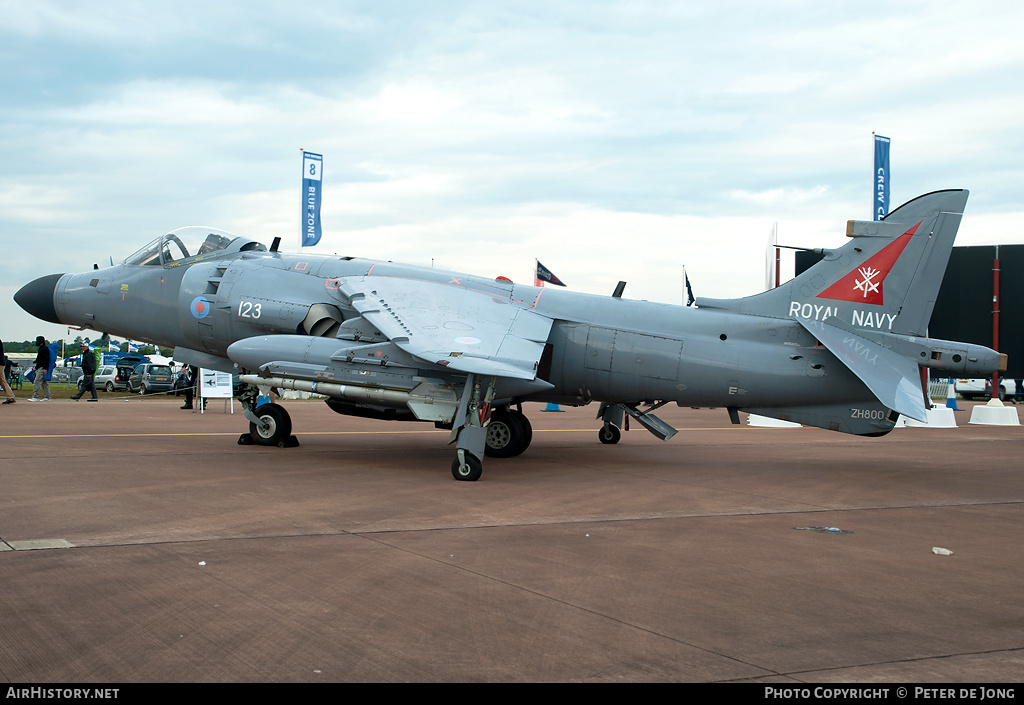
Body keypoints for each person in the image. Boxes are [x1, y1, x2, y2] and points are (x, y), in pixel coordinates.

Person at [28, 336, 51, 402]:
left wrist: (45, 368)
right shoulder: (42, 348)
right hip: (41, 367)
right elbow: (40, 359)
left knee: (37, 382)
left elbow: (45, 360)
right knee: (44, 383)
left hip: (42, 368)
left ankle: (36, 396)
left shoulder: (44, 349)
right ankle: (47, 396)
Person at [0, 338, 15, 404]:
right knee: (2, 381)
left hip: (0, 362)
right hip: (1, 362)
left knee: (2, 380)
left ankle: (11, 397)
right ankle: (10, 396)